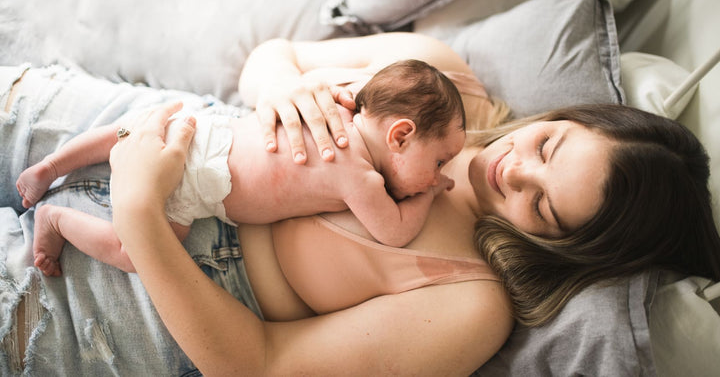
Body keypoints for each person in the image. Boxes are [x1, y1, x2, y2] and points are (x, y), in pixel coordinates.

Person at [1, 32, 719, 376]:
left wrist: (137, 213)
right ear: (574, 116)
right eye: (550, 146)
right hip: (176, 130)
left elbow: (261, 367)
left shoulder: (468, 303)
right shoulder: (446, 83)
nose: (513, 171)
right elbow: (272, 56)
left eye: (545, 209)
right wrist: (280, 90)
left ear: (568, 248)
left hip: (143, 279)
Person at [16, 59, 466, 276]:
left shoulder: (336, 102)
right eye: (439, 160)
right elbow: (395, 232)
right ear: (400, 135)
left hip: (210, 129)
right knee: (136, 254)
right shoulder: (359, 177)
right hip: (200, 186)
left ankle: (51, 165)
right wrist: (428, 192)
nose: (439, 172)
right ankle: (56, 221)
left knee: (125, 130)